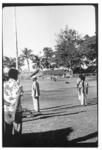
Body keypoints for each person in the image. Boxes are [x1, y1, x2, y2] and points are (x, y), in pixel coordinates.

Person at [3, 68, 23, 136]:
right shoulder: (18, 86)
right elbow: (18, 99)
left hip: (6, 110)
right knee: (17, 132)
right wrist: (14, 111)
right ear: (16, 75)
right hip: (16, 111)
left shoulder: (3, 84)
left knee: (7, 132)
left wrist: (7, 103)